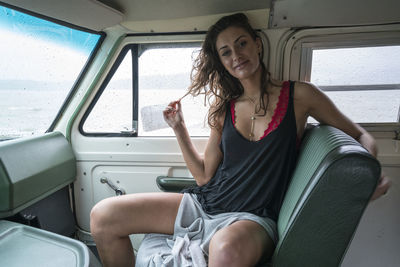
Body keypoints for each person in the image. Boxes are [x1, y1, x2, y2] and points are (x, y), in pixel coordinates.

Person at [90, 13, 391, 267]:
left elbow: (359, 134)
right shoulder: (223, 108)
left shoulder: (301, 95)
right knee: (104, 216)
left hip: (253, 217)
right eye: (226, 52)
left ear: (257, 45)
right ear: (221, 62)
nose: (236, 56)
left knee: (226, 251)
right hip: (204, 205)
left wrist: (367, 172)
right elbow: (204, 176)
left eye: (242, 43)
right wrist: (179, 128)